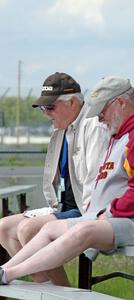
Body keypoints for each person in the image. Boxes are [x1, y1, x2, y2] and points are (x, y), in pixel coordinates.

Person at [0, 75, 134, 285]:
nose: (99, 118)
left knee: (84, 230)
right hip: (118, 218)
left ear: (120, 103)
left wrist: (108, 213)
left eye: (102, 111)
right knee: (49, 229)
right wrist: (99, 214)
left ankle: (9, 275)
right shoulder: (121, 135)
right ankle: (5, 269)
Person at [0, 72, 110, 286]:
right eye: (43, 108)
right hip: (65, 206)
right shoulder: (63, 128)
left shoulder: (93, 126)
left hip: (87, 210)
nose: (46, 114)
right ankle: (47, 291)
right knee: (3, 228)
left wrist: (89, 222)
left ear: (72, 103)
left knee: (28, 230)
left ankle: (63, 294)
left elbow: (95, 185)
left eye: (50, 107)